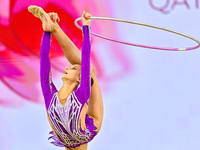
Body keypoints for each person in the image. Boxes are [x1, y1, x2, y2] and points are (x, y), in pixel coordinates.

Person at [28, 5, 103, 150]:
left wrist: (47, 32)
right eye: (71, 67)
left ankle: (54, 27)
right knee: (88, 68)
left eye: (72, 68)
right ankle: (54, 26)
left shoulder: (54, 94)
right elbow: (84, 59)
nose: (67, 67)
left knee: (88, 69)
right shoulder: (81, 93)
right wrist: (86, 27)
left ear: (80, 80)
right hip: (86, 130)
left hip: (70, 137)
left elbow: (44, 59)